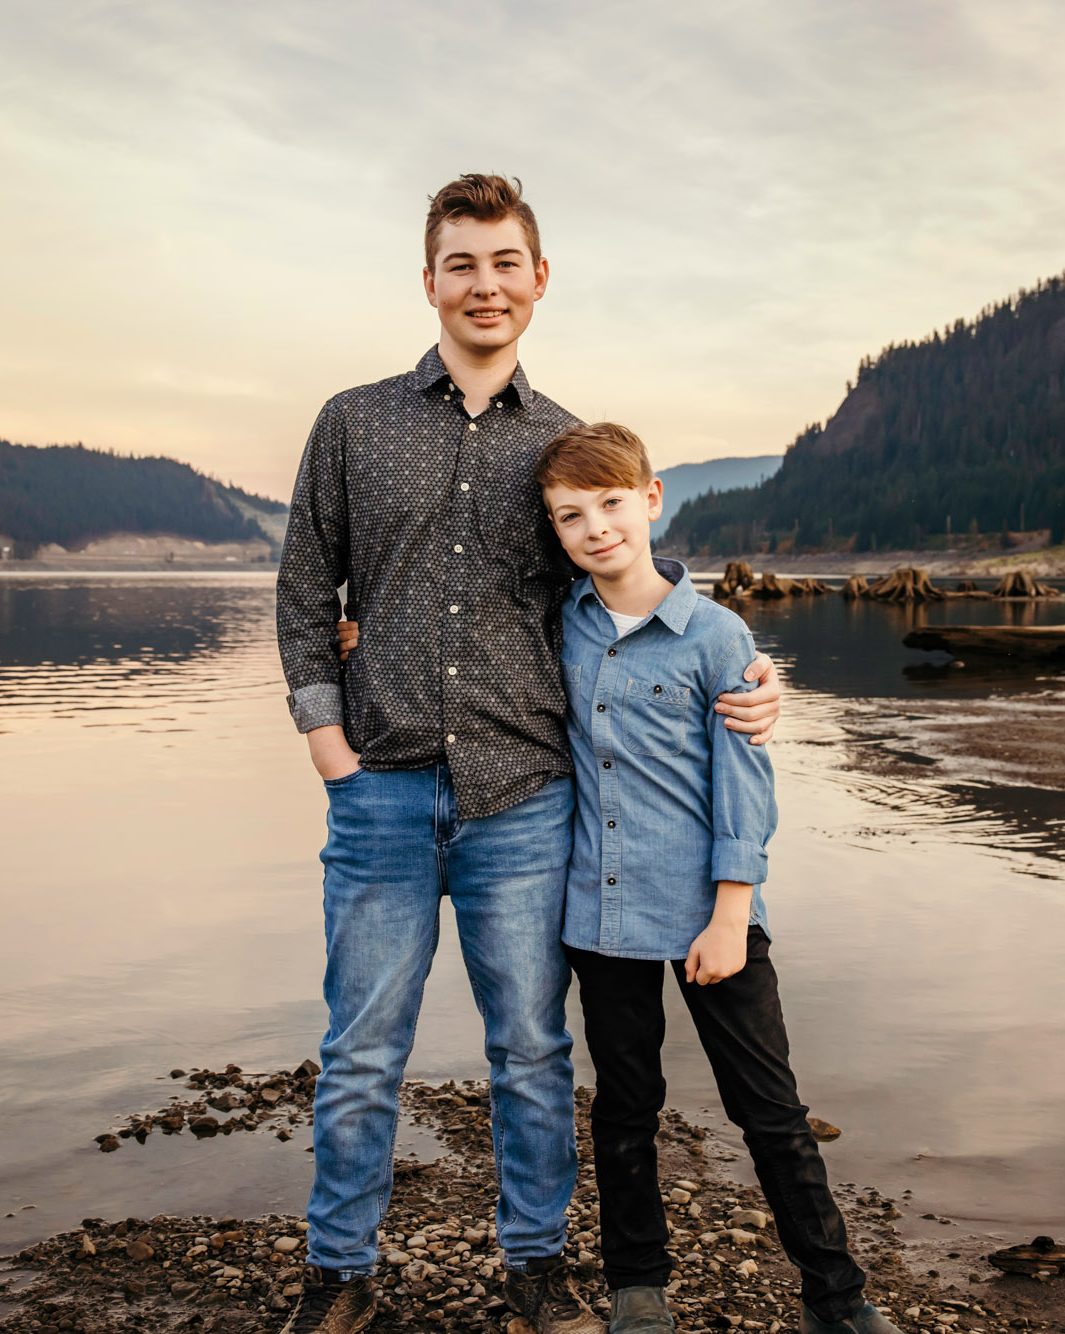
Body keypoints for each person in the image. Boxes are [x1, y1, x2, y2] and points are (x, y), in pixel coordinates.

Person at [273, 174, 784, 1334]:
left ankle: (536, 1266)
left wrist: (750, 673)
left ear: (537, 279)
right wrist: (326, 742)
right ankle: (337, 1272)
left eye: (504, 263)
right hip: (381, 789)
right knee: (360, 1048)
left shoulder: (560, 448)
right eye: (461, 264)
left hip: (522, 797)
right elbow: (306, 587)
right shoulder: (352, 423)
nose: (484, 285)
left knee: (531, 1049)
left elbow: (628, 596)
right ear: (428, 282)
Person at [535, 422, 904, 1334]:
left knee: (771, 1111)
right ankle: (639, 1288)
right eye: (570, 516)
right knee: (626, 1110)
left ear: (652, 499)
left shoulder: (716, 635)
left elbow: (746, 785)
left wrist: (732, 913)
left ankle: (837, 1296)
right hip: (601, 917)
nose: (595, 530)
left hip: (711, 912)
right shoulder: (559, 625)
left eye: (612, 505)